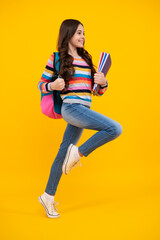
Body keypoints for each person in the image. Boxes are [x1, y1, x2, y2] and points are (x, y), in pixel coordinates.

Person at [37, 19, 123, 218]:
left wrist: (103, 83)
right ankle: (78, 154)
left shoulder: (86, 60)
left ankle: (47, 197)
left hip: (83, 109)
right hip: (71, 109)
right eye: (78, 33)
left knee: (62, 154)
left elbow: (95, 92)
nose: (82, 36)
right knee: (114, 129)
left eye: (84, 33)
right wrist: (52, 86)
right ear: (68, 34)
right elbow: (41, 84)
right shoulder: (57, 58)